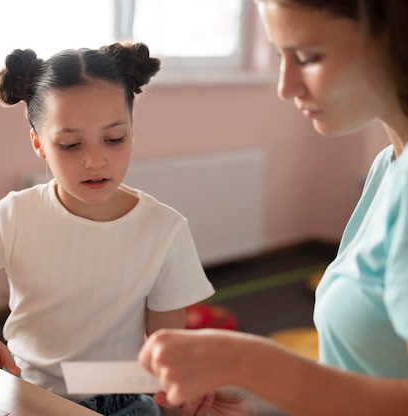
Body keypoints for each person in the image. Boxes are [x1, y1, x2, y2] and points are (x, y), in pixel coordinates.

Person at [0, 42, 215, 416]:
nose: (95, 160)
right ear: (39, 144)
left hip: (126, 402)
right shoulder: (16, 216)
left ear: (132, 132)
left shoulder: (165, 229)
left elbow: (167, 360)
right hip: (28, 398)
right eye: (69, 144)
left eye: (114, 139)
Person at [138, 0, 408, 415]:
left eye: (306, 57)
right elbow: (369, 374)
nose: (285, 86)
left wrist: (248, 362)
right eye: (280, 55)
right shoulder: (389, 164)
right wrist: (258, 398)